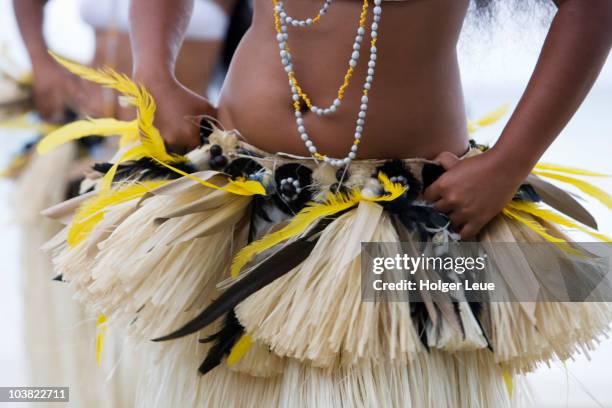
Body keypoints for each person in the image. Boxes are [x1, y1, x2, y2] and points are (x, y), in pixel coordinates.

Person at [37, 0, 612, 406]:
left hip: (406, 215)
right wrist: (155, 74)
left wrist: (509, 165)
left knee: (398, 385)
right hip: (235, 199)